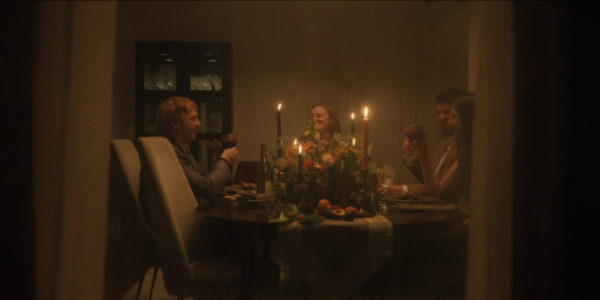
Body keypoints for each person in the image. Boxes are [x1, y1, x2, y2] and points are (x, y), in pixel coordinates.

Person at [385, 88, 469, 204]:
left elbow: (437, 190)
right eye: (438, 113)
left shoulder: (466, 149)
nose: (442, 117)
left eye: (449, 113)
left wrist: (402, 189)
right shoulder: (444, 145)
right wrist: (412, 155)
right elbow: (430, 181)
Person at [155, 96, 239, 204]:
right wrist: (225, 160)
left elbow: (201, 178)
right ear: (175, 123)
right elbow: (206, 188)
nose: (199, 124)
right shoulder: (169, 153)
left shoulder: (181, 147)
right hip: (187, 219)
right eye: (193, 118)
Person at [406, 94, 474, 211]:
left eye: (453, 116)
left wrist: (423, 150)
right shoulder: (449, 147)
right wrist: (419, 150)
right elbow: (432, 185)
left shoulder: (469, 152)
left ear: (467, 121)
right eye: (439, 113)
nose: (448, 121)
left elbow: (437, 192)